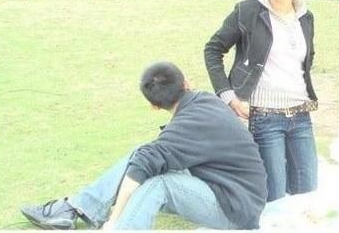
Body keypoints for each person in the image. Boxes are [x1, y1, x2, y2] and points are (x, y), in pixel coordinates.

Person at [19, 62, 268, 230]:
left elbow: (142, 168)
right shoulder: (204, 101)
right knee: (143, 155)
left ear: (154, 106)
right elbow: (146, 159)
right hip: (233, 190)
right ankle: (77, 208)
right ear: (187, 83)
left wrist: (114, 220)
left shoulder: (185, 126)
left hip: (236, 209)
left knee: (158, 183)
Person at [204, 0, 319, 202]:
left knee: (308, 191)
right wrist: (228, 95)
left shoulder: (305, 16)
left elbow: (306, 58)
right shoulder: (248, 11)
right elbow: (213, 49)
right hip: (265, 117)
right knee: (274, 196)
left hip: (301, 116)